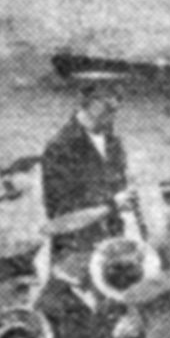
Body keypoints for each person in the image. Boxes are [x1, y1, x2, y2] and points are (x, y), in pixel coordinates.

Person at [42, 70, 132, 225]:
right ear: (84, 100)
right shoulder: (60, 147)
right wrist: (112, 204)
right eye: (107, 98)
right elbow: (59, 211)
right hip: (75, 243)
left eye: (119, 97)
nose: (115, 105)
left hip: (112, 239)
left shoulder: (114, 144)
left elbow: (121, 190)